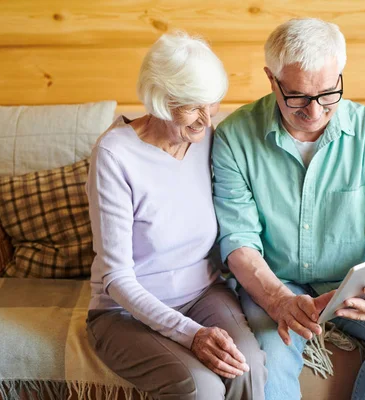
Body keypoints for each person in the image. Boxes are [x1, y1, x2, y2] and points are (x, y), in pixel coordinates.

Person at [212, 18, 365, 400]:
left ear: (340, 75)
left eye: (328, 94)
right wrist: (279, 301)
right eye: (297, 96)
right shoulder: (234, 137)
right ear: (271, 79)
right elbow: (238, 240)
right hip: (275, 282)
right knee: (268, 357)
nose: (314, 111)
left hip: (357, 283)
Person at [85, 32, 267, 400]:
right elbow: (116, 277)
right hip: (124, 312)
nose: (205, 118)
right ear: (160, 99)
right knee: (199, 386)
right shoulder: (114, 155)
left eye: (211, 104)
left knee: (247, 365)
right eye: (191, 106)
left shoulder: (207, 139)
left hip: (204, 293)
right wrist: (190, 334)